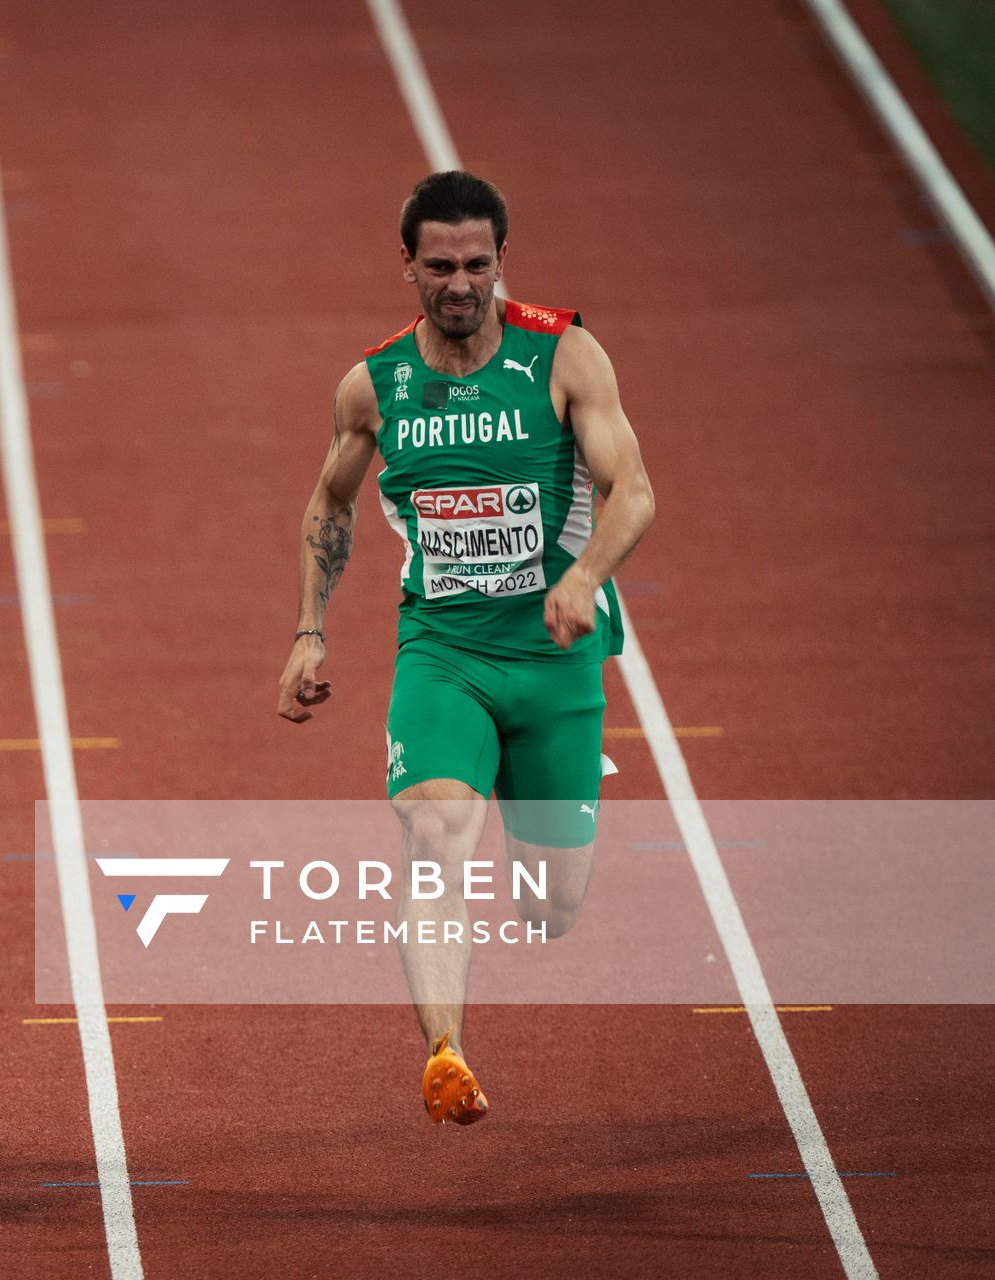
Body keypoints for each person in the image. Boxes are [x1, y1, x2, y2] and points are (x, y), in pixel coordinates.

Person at [275, 171, 654, 1125]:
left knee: (548, 909)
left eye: (477, 264)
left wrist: (582, 578)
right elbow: (329, 500)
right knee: (436, 837)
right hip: (442, 651)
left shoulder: (564, 357)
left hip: (556, 656)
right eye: (439, 265)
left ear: (501, 264)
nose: (459, 282)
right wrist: (309, 629)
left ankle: (554, 772)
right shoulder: (374, 386)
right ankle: (446, 1052)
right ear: (406, 266)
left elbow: (634, 490)